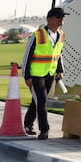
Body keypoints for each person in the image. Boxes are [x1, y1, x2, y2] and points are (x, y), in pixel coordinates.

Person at [22, 7, 67, 140]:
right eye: (58, 17)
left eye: (62, 17)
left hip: (50, 74)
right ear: (49, 19)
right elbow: (27, 57)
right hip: (36, 75)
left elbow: (58, 55)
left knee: (37, 101)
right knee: (42, 101)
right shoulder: (38, 35)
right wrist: (26, 76)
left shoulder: (61, 35)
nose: (61, 19)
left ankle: (27, 124)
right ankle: (44, 130)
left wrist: (60, 70)